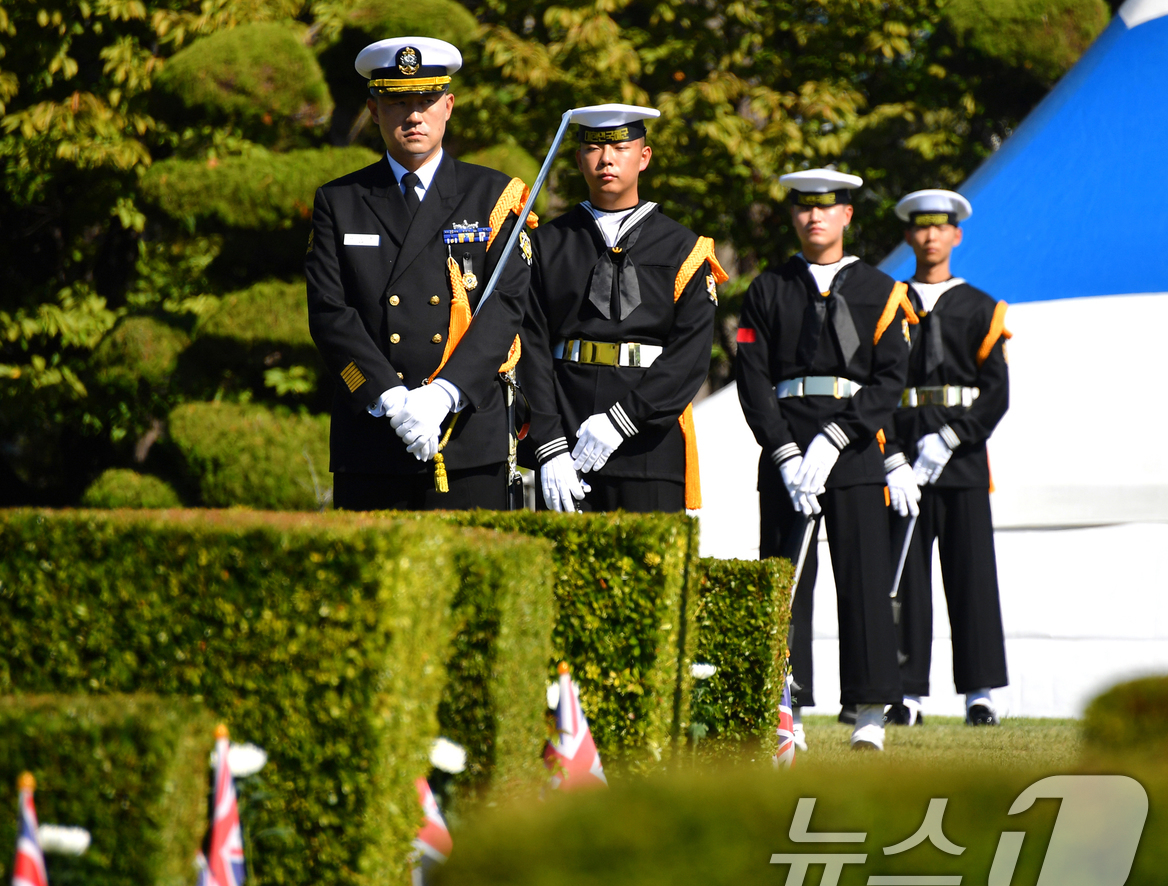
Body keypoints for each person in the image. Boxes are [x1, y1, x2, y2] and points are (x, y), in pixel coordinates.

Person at [305, 37, 535, 510]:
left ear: (448, 106)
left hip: (465, 435)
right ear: (373, 109)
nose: (414, 115)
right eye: (397, 102)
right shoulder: (340, 201)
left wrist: (443, 396)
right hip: (371, 437)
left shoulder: (492, 196)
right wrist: (389, 397)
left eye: (427, 101)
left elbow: (504, 309)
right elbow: (330, 313)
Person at [734, 169, 916, 751]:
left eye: (827, 208)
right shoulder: (766, 289)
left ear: (847, 216)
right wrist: (784, 450)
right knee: (786, 584)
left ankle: (869, 711)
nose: (815, 217)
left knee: (862, 580)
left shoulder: (883, 291)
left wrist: (839, 436)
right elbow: (751, 376)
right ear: (794, 217)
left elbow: (890, 380)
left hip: (856, 449)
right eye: (805, 208)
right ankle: (789, 706)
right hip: (787, 448)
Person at [520, 105, 722, 513]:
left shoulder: (684, 248)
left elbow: (689, 356)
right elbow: (529, 344)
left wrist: (623, 420)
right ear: (578, 159)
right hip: (566, 443)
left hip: (647, 443)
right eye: (593, 148)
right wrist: (548, 442)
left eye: (621, 147)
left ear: (644, 157)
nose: (607, 159)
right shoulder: (547, 244)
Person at [884, 189, 1011, 727]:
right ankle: (904, 694)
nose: (930, 236)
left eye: (940, 227)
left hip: (959, 459)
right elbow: (877, 385)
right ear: (909, 234)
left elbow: (997, 392)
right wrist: (892, 454)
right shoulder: (887, 301)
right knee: (904, 575)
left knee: (972, 576)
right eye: (920, 227)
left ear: (956, 235)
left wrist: (953, 437)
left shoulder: (982, 306)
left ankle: (979, 693)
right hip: (905, 456)